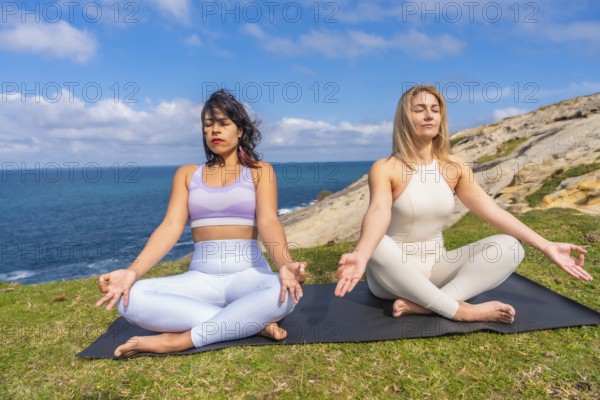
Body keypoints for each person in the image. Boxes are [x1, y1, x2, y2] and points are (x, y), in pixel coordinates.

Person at [334, 85, 592, 323]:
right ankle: (460, 310)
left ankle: (428, 305)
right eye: (419, 109)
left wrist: (546, 246)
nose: (429, 115)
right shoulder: (386, 167)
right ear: (404, 118)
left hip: (437, 269)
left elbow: (490, 210)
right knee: (377, 242)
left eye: (435, 110)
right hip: (393, 279)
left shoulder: (454, 166)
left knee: (510, 247)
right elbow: (378, 211)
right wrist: (362, 254)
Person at [96, 89, 306, 357]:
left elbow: (268, 221)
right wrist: (131, 272)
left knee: (285, 293)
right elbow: (170, 227)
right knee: (129, 299)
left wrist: (285, 264)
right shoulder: (187, 174)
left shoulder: (260, 172)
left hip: (248, 276)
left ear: (240, 130)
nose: (214, 131)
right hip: (200, 280)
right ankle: (248, 324)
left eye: (223, 124)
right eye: (208, 125)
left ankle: (179, 341)